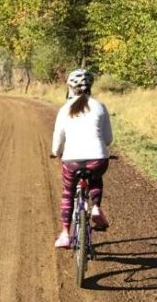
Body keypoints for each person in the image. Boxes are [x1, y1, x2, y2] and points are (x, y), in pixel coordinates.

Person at [52, 69, 113, 248]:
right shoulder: (100, 106)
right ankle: (95, 207)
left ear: (70, 87)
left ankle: (65, 234)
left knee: (68, 192)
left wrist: (58, 153)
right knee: (95, 176)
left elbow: (56, 147)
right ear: (90, 86)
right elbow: (108, 140)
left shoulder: (64, 110)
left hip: (72, 160)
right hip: (98, 159)